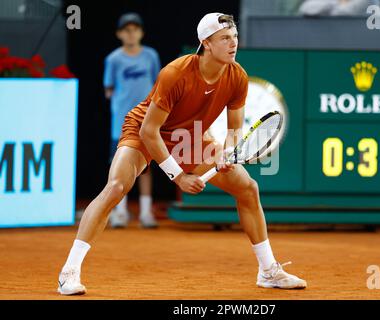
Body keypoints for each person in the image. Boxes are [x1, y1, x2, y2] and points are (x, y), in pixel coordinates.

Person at [57, 12, 307, 296]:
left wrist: (226, 153)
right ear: (206, 43)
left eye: (235, 37)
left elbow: (235, 130)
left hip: (190, 136)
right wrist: (179, 177)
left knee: (248, 188)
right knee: (115, 187)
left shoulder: (237, 75)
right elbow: (149, 132)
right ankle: (69, 272)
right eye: (225, 38)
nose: (233, 43)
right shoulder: (175, 73)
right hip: (145, 129)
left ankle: (268, 270)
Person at [103, 13, 161, 228]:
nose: (131, 33)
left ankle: (146, 213)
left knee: (146, 167)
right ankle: (120, 212)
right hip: (120, 122)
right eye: (126, 29)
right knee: (119, 167)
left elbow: (158, 85)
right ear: (119, 34)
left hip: (147, 122)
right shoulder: (113, 59)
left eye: (135, 29)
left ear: (141, 33)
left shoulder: (151, 56)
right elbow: (108, 89)